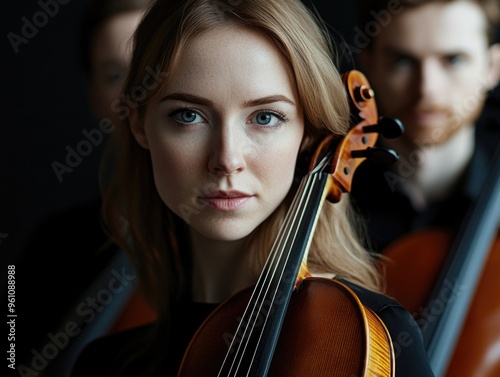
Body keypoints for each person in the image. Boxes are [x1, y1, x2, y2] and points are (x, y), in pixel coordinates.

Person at [70, 0, 435, 376]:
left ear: (308, 132)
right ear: (140, 125)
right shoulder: (104, 365)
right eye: (188, 115)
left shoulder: (376, 338)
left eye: (265, 117)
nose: (227, 158)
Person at [350, 0, 500, 375]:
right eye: (402, 60)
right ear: (368, 64)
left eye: (453, 60)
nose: (427, 89)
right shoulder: (329, 206)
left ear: (493, 66)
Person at [14, 1, 151, 376]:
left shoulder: (227, 239)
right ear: (94, 99)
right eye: (114, 75)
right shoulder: (54, 241)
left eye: (153, 69)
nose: (135, 94)